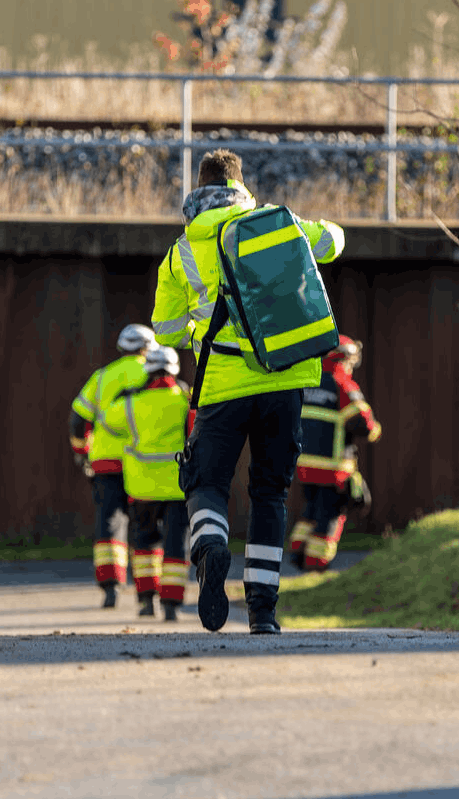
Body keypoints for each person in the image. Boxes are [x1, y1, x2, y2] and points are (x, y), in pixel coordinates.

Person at [152, 149, 345, 634]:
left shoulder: (182, 250)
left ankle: (212, 545)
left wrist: (200, 316)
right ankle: (263, 611)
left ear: (197, 190)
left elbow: (167, 332)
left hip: (223, 384)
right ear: (242, 185)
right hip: (288, 379)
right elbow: (334, 243)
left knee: (206, 482)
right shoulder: (278, 223)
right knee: (270, 494)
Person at [69, 323, 157, 608]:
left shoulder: (103, 376)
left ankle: (111, 588)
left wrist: (81, 452)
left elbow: (77, 418)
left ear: (122, 347)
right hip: (144, 460)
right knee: (147, 524)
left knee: (110, 521)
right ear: (148, 348)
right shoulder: (153, 374)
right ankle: (148, 594)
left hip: (106, 461)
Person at [105, 344, 193, 621]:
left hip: (141, 487)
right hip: (178, 487)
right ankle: (171, 604)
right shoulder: (185, 400)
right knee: (176, 545)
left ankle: (146, 600)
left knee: (144, 543)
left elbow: (108, 421)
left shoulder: (130, 403)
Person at [289, 336, 381, 572]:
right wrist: (375, 430)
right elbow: (363, 424)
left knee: (311, 510)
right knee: (330, 516)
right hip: (333, 468)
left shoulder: (307, 383)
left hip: (305, 466)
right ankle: (316, 565)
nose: (351, 367)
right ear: (342, 359)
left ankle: (297, 551)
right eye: (350, 361)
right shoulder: (342, 384)